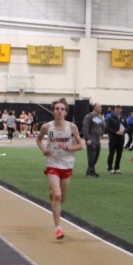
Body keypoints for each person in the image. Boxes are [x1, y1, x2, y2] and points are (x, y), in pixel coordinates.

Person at [37, 100, 84, 241]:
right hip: (52, 163)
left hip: (67, 164)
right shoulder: (47, 126)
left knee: (61, 198)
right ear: (53, 111)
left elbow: (80, 145)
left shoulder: (72, 127)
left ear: (66, 112)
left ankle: (54, 194)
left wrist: (68, 147)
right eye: (57, 108)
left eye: (62, 109)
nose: (59, 111)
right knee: (57, 195)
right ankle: (58, 228)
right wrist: (43, 149)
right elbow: (38, 139)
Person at [82, 101, 105, 177]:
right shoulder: (89, 116)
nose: (101, 108)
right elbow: (85, 128)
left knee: (96, 155)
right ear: (94, 107)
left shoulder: (100, 117)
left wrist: (101, 134)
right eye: (99, 107)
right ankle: (90, 172)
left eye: (101, 107)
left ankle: (90, 170)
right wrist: (87, 138)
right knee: (91, 156)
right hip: (91, 138)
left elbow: (102, 126)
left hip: (98, 139)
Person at [105, 105, 125, 174]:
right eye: (117, 108)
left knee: (119, 154)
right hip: (113, 138)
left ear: (121, 109)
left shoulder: (123, 118)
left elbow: (127, 127)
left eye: (119, 108)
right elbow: (107, 128)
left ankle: (117, 168)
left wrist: (124, 132)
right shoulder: (110, 118)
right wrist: (115, 132)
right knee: (111, 153)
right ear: (115, 109)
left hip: (121, 138)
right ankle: (110, 168)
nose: (118, 110)